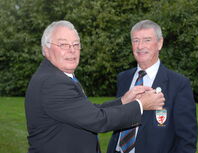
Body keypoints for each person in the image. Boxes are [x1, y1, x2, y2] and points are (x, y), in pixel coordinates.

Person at [24, 20, 165, 153]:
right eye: (63, 45)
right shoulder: (53, 82)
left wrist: (123, 101)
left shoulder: (57, 76)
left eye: (76, 44)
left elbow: (89, 112)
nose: (72, 50)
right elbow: (99, 120)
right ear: (46, 49)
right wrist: (140, 105)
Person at [107, 20, 198, 153]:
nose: (140, 46)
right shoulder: (123, 78)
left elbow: (187, 139)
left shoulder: (178, 84)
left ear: (159, 43)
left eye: (147, 40)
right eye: (135, 40)